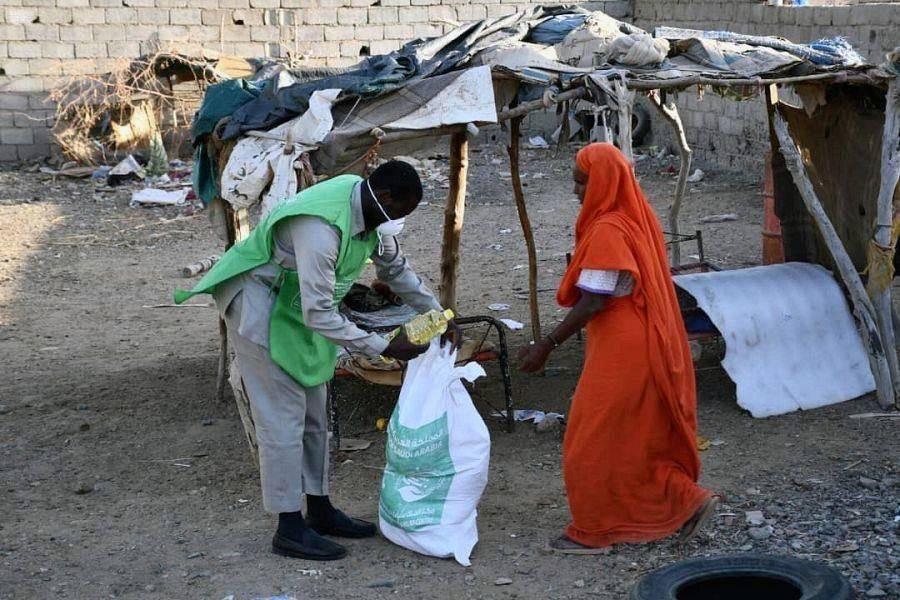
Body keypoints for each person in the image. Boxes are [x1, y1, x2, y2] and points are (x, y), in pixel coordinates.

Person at [176, 160, 459, 561]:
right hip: (260, 304)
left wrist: (440, 316)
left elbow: (395, 270)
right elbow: (320, 314)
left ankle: (320, 509)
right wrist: (381, 346)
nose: (396, 222)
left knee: (314, 413)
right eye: (399, 212)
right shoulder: (321, 227)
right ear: (385, 198)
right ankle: (289, 527)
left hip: (295, 306)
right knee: (282, 420)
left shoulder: (370, 212)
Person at [517, 143, 717, 553]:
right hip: (639, 338)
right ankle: (685, 500)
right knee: (637, 435)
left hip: (624, 346)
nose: (575, 190)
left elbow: (595, 299)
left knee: (588, 439)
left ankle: (594, 530)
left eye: (580, 182)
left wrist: (547, 345)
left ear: (602, 183)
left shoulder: (609, 229)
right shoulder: (635, 218)